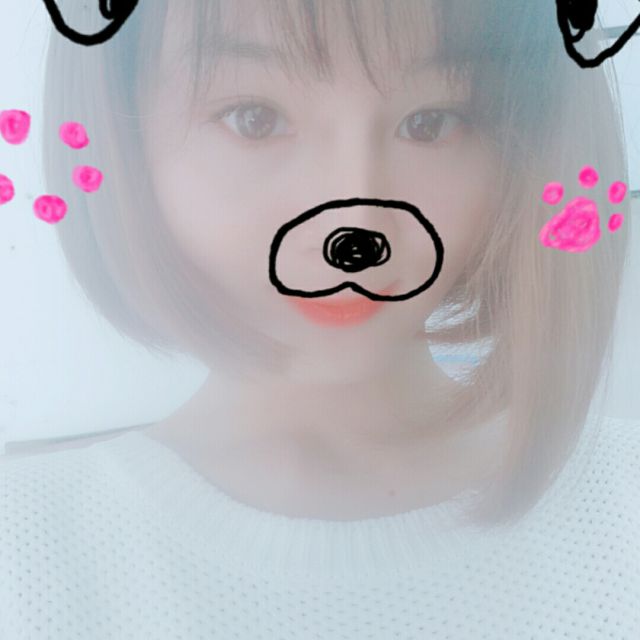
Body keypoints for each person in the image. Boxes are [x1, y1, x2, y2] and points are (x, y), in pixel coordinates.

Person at [1, 1, 638, 638]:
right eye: (254, 118)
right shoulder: (26, 552)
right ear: (123, 135)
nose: (355, 226)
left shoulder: (621, 512)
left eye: (430, 123)